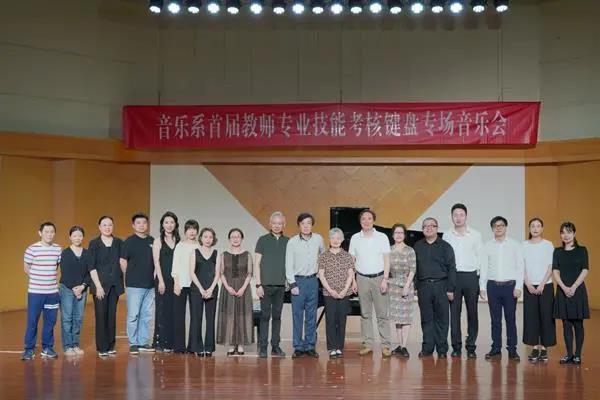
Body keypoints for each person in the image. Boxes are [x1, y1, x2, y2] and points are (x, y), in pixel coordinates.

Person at [349, 209, 393, 357]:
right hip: (361, 279)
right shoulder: (355, 238)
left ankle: (386, 345)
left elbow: (387, 259)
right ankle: (367, 344)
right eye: (363, 219)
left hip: (379, 278)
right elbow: (351, 261)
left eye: (369, 218)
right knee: (365, 314)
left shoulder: (382, 237)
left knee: (382, 315)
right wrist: (353, 280)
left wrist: (385, 279)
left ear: (373, 220)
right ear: (360, 221)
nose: (366, 221)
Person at [480, 216, 524, 362]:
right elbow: (484, 267)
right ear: (492, 229)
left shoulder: (515, 245)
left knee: (510, 319)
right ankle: (496, 348)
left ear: (506, 227)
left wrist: (518, 286)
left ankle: (512, 350)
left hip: (510, 287)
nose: (498, 228)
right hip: (493, 286)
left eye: (501, 225)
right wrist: (482, 287)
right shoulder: (487, 246)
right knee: (495, 320)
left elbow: (520, 267)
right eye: (495, 226)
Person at [442, 203, 483, 359]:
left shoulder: (476, 235)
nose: (458, 218)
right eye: (455, 215)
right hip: (454, 277)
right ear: (452, 217)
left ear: (466, 216)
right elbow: (445, 260)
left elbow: (480, 257)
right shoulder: (447, 235)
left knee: (472, 313)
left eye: (461, 215)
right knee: (454, 314)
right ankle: (456, 346)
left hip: (471, 277)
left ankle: (471, 345)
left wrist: (479, 280)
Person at [414, 217, 456, 359]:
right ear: (422, 229)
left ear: (437, 228)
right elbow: (414, 268)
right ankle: (427, 348)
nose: (429, 228)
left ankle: (442, 349)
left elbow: (452, 268)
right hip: (423, 287)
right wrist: (415, 287)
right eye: (425, 226)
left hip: (441, 286)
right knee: (426, 319)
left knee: (442, 319)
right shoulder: (417, 246)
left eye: (432, 225)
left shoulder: (446, 246)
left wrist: (450, 289)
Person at [286, 213, 325, 359]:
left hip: (313, 281)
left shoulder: (318, 239)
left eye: (308, 223)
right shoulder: (292, 242)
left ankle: (310, 346)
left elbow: (323, 256)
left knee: (311, 315)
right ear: (299, 225)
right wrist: (292, 284)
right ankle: (298, 346)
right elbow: (288, 264)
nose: (306, 226)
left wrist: (320, 273)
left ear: (312, 225)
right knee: (297, 315)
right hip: (298, 281)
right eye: (303, 223)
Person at [21, 222, 62, 360]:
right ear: (40, 233)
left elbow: (57, 266)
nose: (49, 234)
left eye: (52, 232)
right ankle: (29, 349)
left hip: (52, 293)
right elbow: (26, 267)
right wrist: (37, 279)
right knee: (32, 321)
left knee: (50, 322)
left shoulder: (58, 249)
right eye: (46, 232)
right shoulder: (32, 249)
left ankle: (47, 348)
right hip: (35, 292)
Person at [553, 222, 590, 365]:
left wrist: (573, 287)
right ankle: (569, 354)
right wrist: (563, 287)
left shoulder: (582, 250)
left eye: (569, 232)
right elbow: (555, 271)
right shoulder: (557, 251)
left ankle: (577, 355)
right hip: (562, 290)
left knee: (578, 324)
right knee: (566, 324)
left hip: (577, 289)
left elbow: (585, 269)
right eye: (563, 232)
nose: (566, 235)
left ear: (574, 233)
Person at [255, 211, 289, 359]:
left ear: (284, 225)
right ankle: (263, 347)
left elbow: (290, 263)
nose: (277, 226)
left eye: (280, 223)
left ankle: (275, 346)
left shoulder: (288, 241)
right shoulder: (262, 240)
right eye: (274, 223)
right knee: (264, 316)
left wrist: (288, 280)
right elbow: (256, 264)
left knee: (277, 316)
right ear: (270, 224)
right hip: (265, 285)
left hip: (280, 285)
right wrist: (258, 285)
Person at [120, 212, 156, 355]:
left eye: (144, 223)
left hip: (150, 285)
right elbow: (123, 261)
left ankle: (143, 342)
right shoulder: (129, 241)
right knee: (133, 315)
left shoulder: (152, 241)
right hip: (134, 285)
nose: (142, 225)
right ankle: (133, 343)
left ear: (147, 225)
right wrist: (130, 275)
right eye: (138, 223)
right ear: (133, 225)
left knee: (146, 315)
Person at [89, 216, 124, 357]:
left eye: (110, 225)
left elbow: (123, 262)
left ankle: (111, 345)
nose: (107, 227)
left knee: (112, 315)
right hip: (100, 285)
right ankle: (102, 347)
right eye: (104, 225)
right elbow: (91, 266)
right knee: (101, 315)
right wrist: (98, 286)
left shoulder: (119, 242)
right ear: (99, 227)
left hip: (115, 285)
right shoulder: (94, 243)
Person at [522, 217, 556, 362]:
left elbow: (551, 266)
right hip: (529, 285)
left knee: (546, 316)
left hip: (545, 285)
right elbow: (521, 266)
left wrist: (542, 284)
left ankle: (545, 347)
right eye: (532, 226)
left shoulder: (548, 245)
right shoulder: (523, 245)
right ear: (529, 229)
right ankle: (535, 347)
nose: (535, 229)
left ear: (542, 228)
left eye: (538, 226)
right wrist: (528, 284)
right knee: (531, 316)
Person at [318, 228, 354, 358]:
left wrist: (344, 290)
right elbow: (321, 275)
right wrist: (330, 290)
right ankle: (332, 347)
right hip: (329, 293)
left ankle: (339, 347)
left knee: (341, 319)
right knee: (331, 320)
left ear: (342, 240)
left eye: (338, 238)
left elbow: (350, 274)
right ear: (329, 239)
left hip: (344, 293)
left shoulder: (347, 256)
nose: (335, 240)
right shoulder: (323, 256)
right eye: (333, 238)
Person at [217, 228, 254, 355]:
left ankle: (241, 344)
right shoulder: (223, 255)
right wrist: (228, 287)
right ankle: (232, 344)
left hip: (243, 288)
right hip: (228, 288)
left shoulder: (247, 255)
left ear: (242, 238)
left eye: (238, 236)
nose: (235, 239)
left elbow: (249, 273)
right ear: (229, 239)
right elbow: (221, 273)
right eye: (233, 237)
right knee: (230, 315)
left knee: (242, 315)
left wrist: (243, 288)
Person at [59, 226, 91, 356]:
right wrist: (74, 288)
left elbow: (89, 272)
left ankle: (75, 344)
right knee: (67, 318)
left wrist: (82, 286)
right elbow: (65, 273)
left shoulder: (87, 253)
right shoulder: (65, 253)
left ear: (83, 237)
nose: (77, 238)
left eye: (80, 235)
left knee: (78, 318)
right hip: (67, 289)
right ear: (70, 237)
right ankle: (68, 346)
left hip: (82, 289)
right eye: (75, 236)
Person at [189, 227, 220, 357]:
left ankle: (209, 347)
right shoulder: (194, 252)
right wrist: (201, 289)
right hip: (197, 289)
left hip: (212, 289)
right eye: (205, 237)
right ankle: (197, 347)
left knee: (210, 319)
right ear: (201, 238)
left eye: (210, 237)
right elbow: (192, 272)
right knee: (196, 319)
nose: (208, 239)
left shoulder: (216, 253)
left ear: (213, 239)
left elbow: (217, 274)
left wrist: (211, 289)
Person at [171, 219, 201, 353]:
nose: (192, 231)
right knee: (179, 316)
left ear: (197, 231)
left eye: (194, 229)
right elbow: (175, 265)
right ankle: (179, 346)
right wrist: (176, 283)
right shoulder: (180, 246)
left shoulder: (200, 246)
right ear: (185, 231)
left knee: (195, 316)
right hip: (181, 284)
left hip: (196, 285)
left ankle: (193, 346)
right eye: (189, 229)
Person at [152, 211, 180, 352]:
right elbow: (156, 262)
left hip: (176, 281)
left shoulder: (179, 241)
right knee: (162, 311)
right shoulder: (158, 241)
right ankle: (160, 342)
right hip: (162, 280)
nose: (169, 225)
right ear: (162, 225)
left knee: (174, 311)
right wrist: (161, 281)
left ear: (175, 224)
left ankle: (172, 342)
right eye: (166, 222)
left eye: (172, 222)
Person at [388, 224, 417, 358]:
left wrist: (406, 286)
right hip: (393, 285)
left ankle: (404, 346)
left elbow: (413, 269)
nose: (398, 235)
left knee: (405, 318)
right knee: (397, 318)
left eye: (401, 233)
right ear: (393, 235)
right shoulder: (389, 250)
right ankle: (399, 345)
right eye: (396, 232)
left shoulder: (410, 250)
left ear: (404, 235)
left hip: (406, 284)